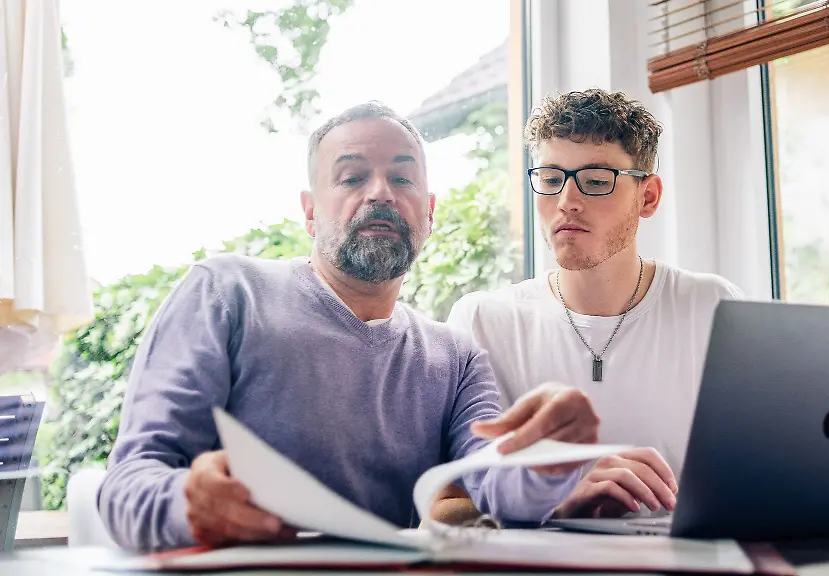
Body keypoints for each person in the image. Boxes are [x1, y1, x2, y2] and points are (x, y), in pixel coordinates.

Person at [97, 102, 603, 553]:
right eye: (351, 177)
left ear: (428, 213)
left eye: (402, 179)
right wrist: (186, 503)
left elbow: (497, 492)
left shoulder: (456, 357)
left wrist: (551, 460)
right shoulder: (227, 293)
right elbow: (125, 485)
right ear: (311, 213)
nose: (380, 193)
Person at [444, 88, 743, 519]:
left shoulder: (713, 308)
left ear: (648, 198)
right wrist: (557, 504)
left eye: (597, 181)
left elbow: (757, 479)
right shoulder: (483, 322)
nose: (567, 201)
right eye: (550, 179)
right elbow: (444, 509)